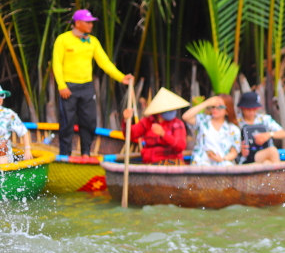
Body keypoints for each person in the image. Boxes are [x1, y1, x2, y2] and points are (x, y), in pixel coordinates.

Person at [52, 9, 134, 157]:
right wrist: (62, 85)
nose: (91, 25)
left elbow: (105, 63)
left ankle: (86, 153)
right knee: (67, 122)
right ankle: (65, 154)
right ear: (77, 23)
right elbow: (56, 64)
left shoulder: (92, 41)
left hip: (86, 87)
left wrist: (121, 77)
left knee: (89, 121)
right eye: (88, 22)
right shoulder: (62, 39)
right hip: (68, 87)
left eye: (92, 22)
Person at [122, 88, 189, 165]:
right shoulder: (147, 121)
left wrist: (164, 134)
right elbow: (130, 135)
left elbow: (180, 146)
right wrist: (126, 120)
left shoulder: (177, 123)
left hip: (171, 162)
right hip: (150, 162)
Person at [182, 94, 241, 167]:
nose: (215, 109)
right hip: (201, 162)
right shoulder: (203, 120)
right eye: (213, 106)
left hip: (222, 162)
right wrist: (206, 103)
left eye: (219, 107)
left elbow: (234, 152)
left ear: (227, 110)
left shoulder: (233, 129)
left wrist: (222, 159)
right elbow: (186, 117)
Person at [236, 91, 285, 164]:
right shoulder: (236, 122)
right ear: (242, 108)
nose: (251, 112)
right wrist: (240, 149)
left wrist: (268, 134)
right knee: (272, 151)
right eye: (248, 109)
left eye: (254, 109)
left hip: (263, 155)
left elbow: (283, 133)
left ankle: (277, 174)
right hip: (247, 157)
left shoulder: (264, 119)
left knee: (267, 162)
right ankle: (280, 174)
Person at [0, 85, 32, 163]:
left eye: (1, 95)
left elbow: (23, 132)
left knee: (3, 144)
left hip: (3, 155)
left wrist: (27, 149)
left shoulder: (8, 114)